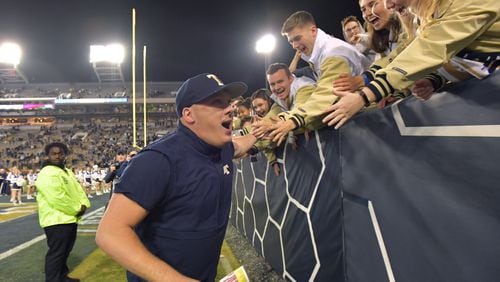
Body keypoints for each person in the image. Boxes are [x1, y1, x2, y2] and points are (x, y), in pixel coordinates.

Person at [96, 73, 259, 281]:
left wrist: (262, 130)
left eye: (228, 102)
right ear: (189, 115)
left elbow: (240, 145)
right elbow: (110, 233)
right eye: (217, 102)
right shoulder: (158, 160)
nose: (230, 108)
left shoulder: (221, 148)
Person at [322, 0, 500, 129]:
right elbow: (458, 55)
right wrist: (434, 79)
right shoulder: (425, 17)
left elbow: (428, 50)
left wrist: (365, 95)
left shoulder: (466, 3)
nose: (389, 5)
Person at [265, 10, 370, 144]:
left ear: (313, 30)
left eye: (297, 38)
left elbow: (326, 94)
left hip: (372, 111)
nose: (295, 46)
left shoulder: (333, 52)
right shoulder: (317, 53)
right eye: (291, 41)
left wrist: (293, 121)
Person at [35, 142, 90, 282]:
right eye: (54, 153)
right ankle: (53, 279)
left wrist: (84, 204)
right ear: (47, 156)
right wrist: (76, 209)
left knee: (65, 251)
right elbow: (56, 197)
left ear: (65, 155)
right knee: (57, 253)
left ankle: (62, 276)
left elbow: (78, 190)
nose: (57, 156)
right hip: (56, 219)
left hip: (68, 218)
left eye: (60, 153)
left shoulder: (66, 171)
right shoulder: (47, 172)